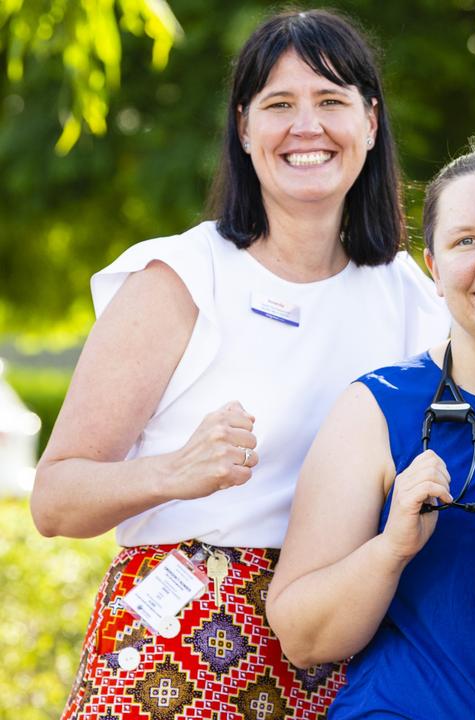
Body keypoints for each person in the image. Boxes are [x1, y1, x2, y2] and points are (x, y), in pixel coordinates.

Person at [31, 10, 450, 719]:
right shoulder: (181, 278)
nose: (306, 126)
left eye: (331, 101)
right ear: (245, 128)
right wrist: (174, 472)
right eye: (279, 105)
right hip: (178, 644)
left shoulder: (414, 298)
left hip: (340, 645)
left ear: (371, 124)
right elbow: (54, 499)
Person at [266, 148, 475, 718]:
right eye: (465, 241)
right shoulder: (377, 409)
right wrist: (390, 550)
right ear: (434, 270)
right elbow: (303, 639)